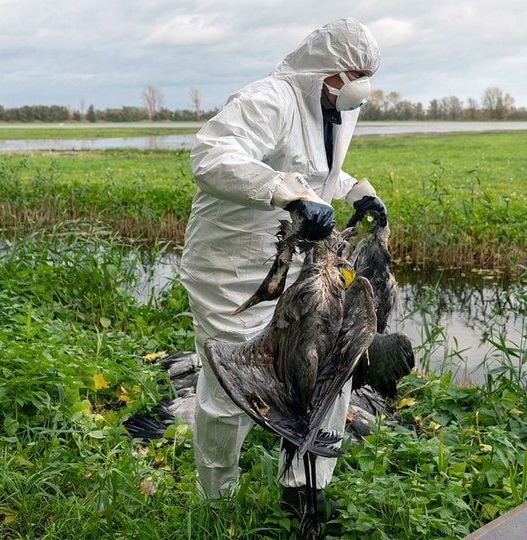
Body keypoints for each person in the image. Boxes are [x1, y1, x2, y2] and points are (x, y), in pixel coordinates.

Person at [179, 17, 387, 513]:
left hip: (297, 262)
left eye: (367, 74)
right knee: (231, 381)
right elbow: (211, 156)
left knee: (330, 367)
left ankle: (303, 486)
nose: (362, 85)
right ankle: (217, 497)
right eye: (355, 73)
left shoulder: (336, 107)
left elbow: (319, 170)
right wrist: (284, 194)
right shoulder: (268, 100)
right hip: (230, 265)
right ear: (327, 70)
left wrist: (359, 191)